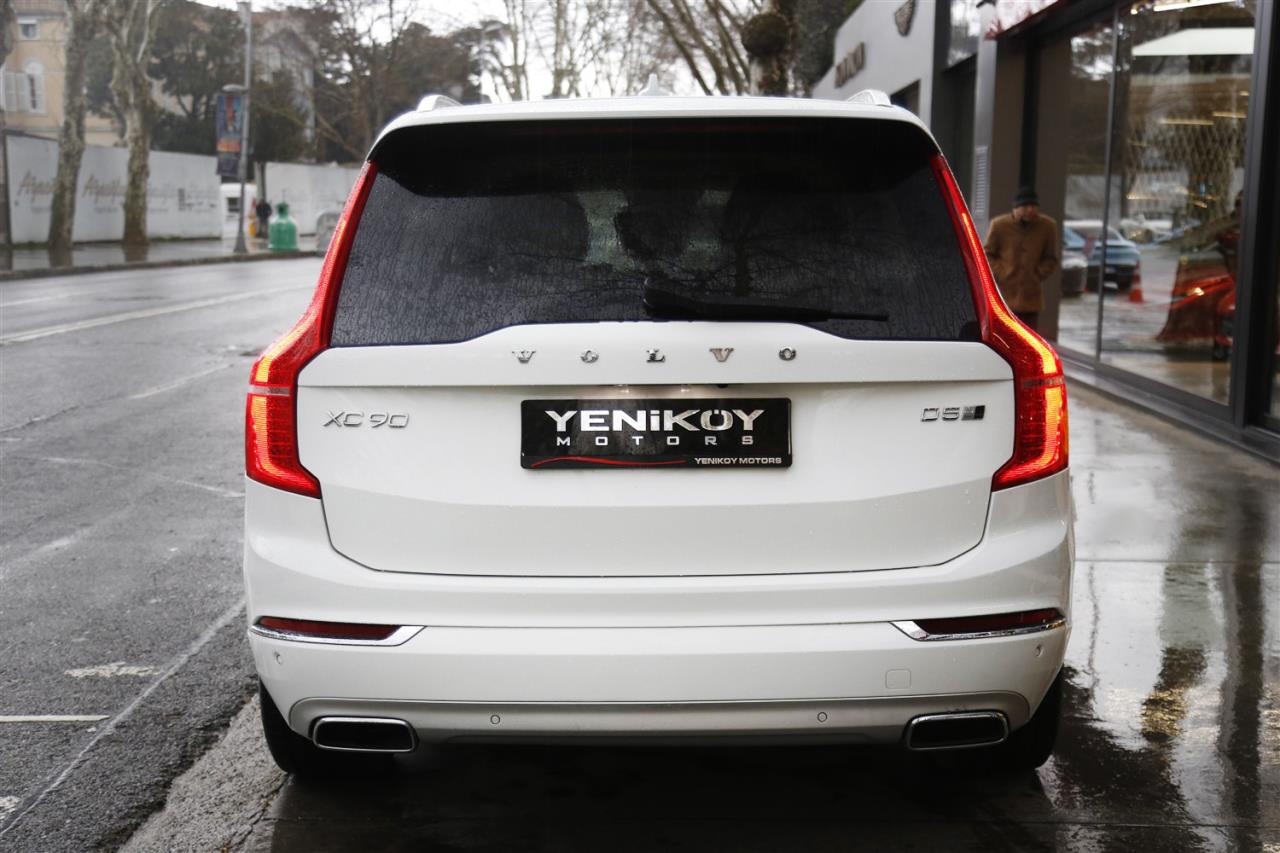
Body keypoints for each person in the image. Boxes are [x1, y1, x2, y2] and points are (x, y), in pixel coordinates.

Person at [984, 187, 1059, 332]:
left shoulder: (1048, 226)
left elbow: (1051, 258)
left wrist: (1037, 274)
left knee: (1028, 335)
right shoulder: (999, 225)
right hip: (1005, 293)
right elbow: (988, 254)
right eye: (1025, 206)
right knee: (1005, 333)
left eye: (1034, 206)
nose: (1030, 210)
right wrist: (1001, 273)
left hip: (1031, 295)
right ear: (1016, 208)